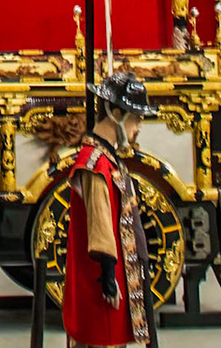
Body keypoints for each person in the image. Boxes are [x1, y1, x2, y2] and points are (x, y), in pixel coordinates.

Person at [64, 70, 159, 348]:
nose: (138, 127)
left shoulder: (105, 159)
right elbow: (100, 223)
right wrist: (107, 275)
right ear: (117, 113)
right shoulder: (95, 163)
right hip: (101, 280)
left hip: (110, 274)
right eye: (137, 118)